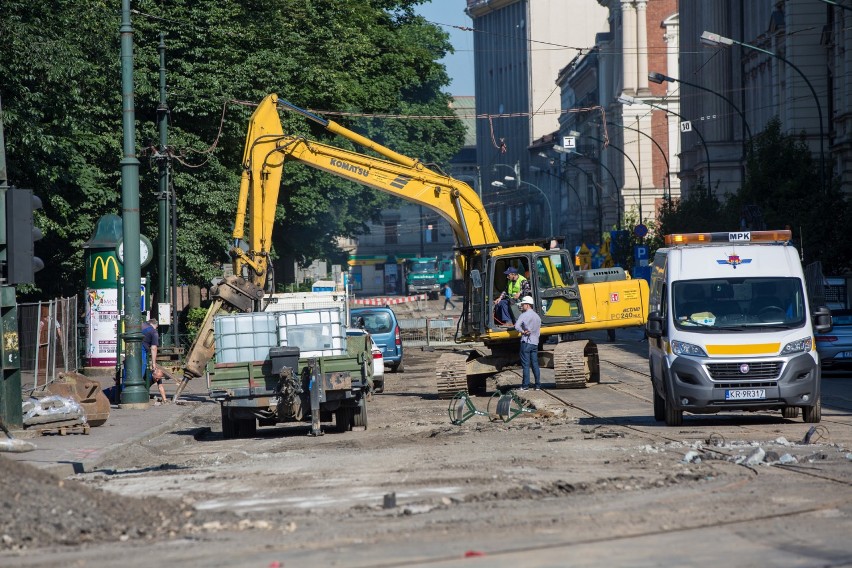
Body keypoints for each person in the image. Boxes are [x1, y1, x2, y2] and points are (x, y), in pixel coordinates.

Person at [514, 296, 541, 390]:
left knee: (526, 365)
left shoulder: (524, 315)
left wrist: (522, 331)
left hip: (526, 342)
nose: (522, 306)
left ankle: (525, 386)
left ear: (527, 305)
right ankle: (537, 385)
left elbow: (516, 326)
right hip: (535, 343)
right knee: (535, 364)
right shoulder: (537, 316)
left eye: (523, 304)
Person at [141, 318, 160, 385]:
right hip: (142, 351)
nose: (156, 328)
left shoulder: (141, 325)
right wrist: (153, 363)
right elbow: (154, 348)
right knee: (140, 374)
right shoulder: (153, 332)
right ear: (154, 325)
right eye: (156, 327)